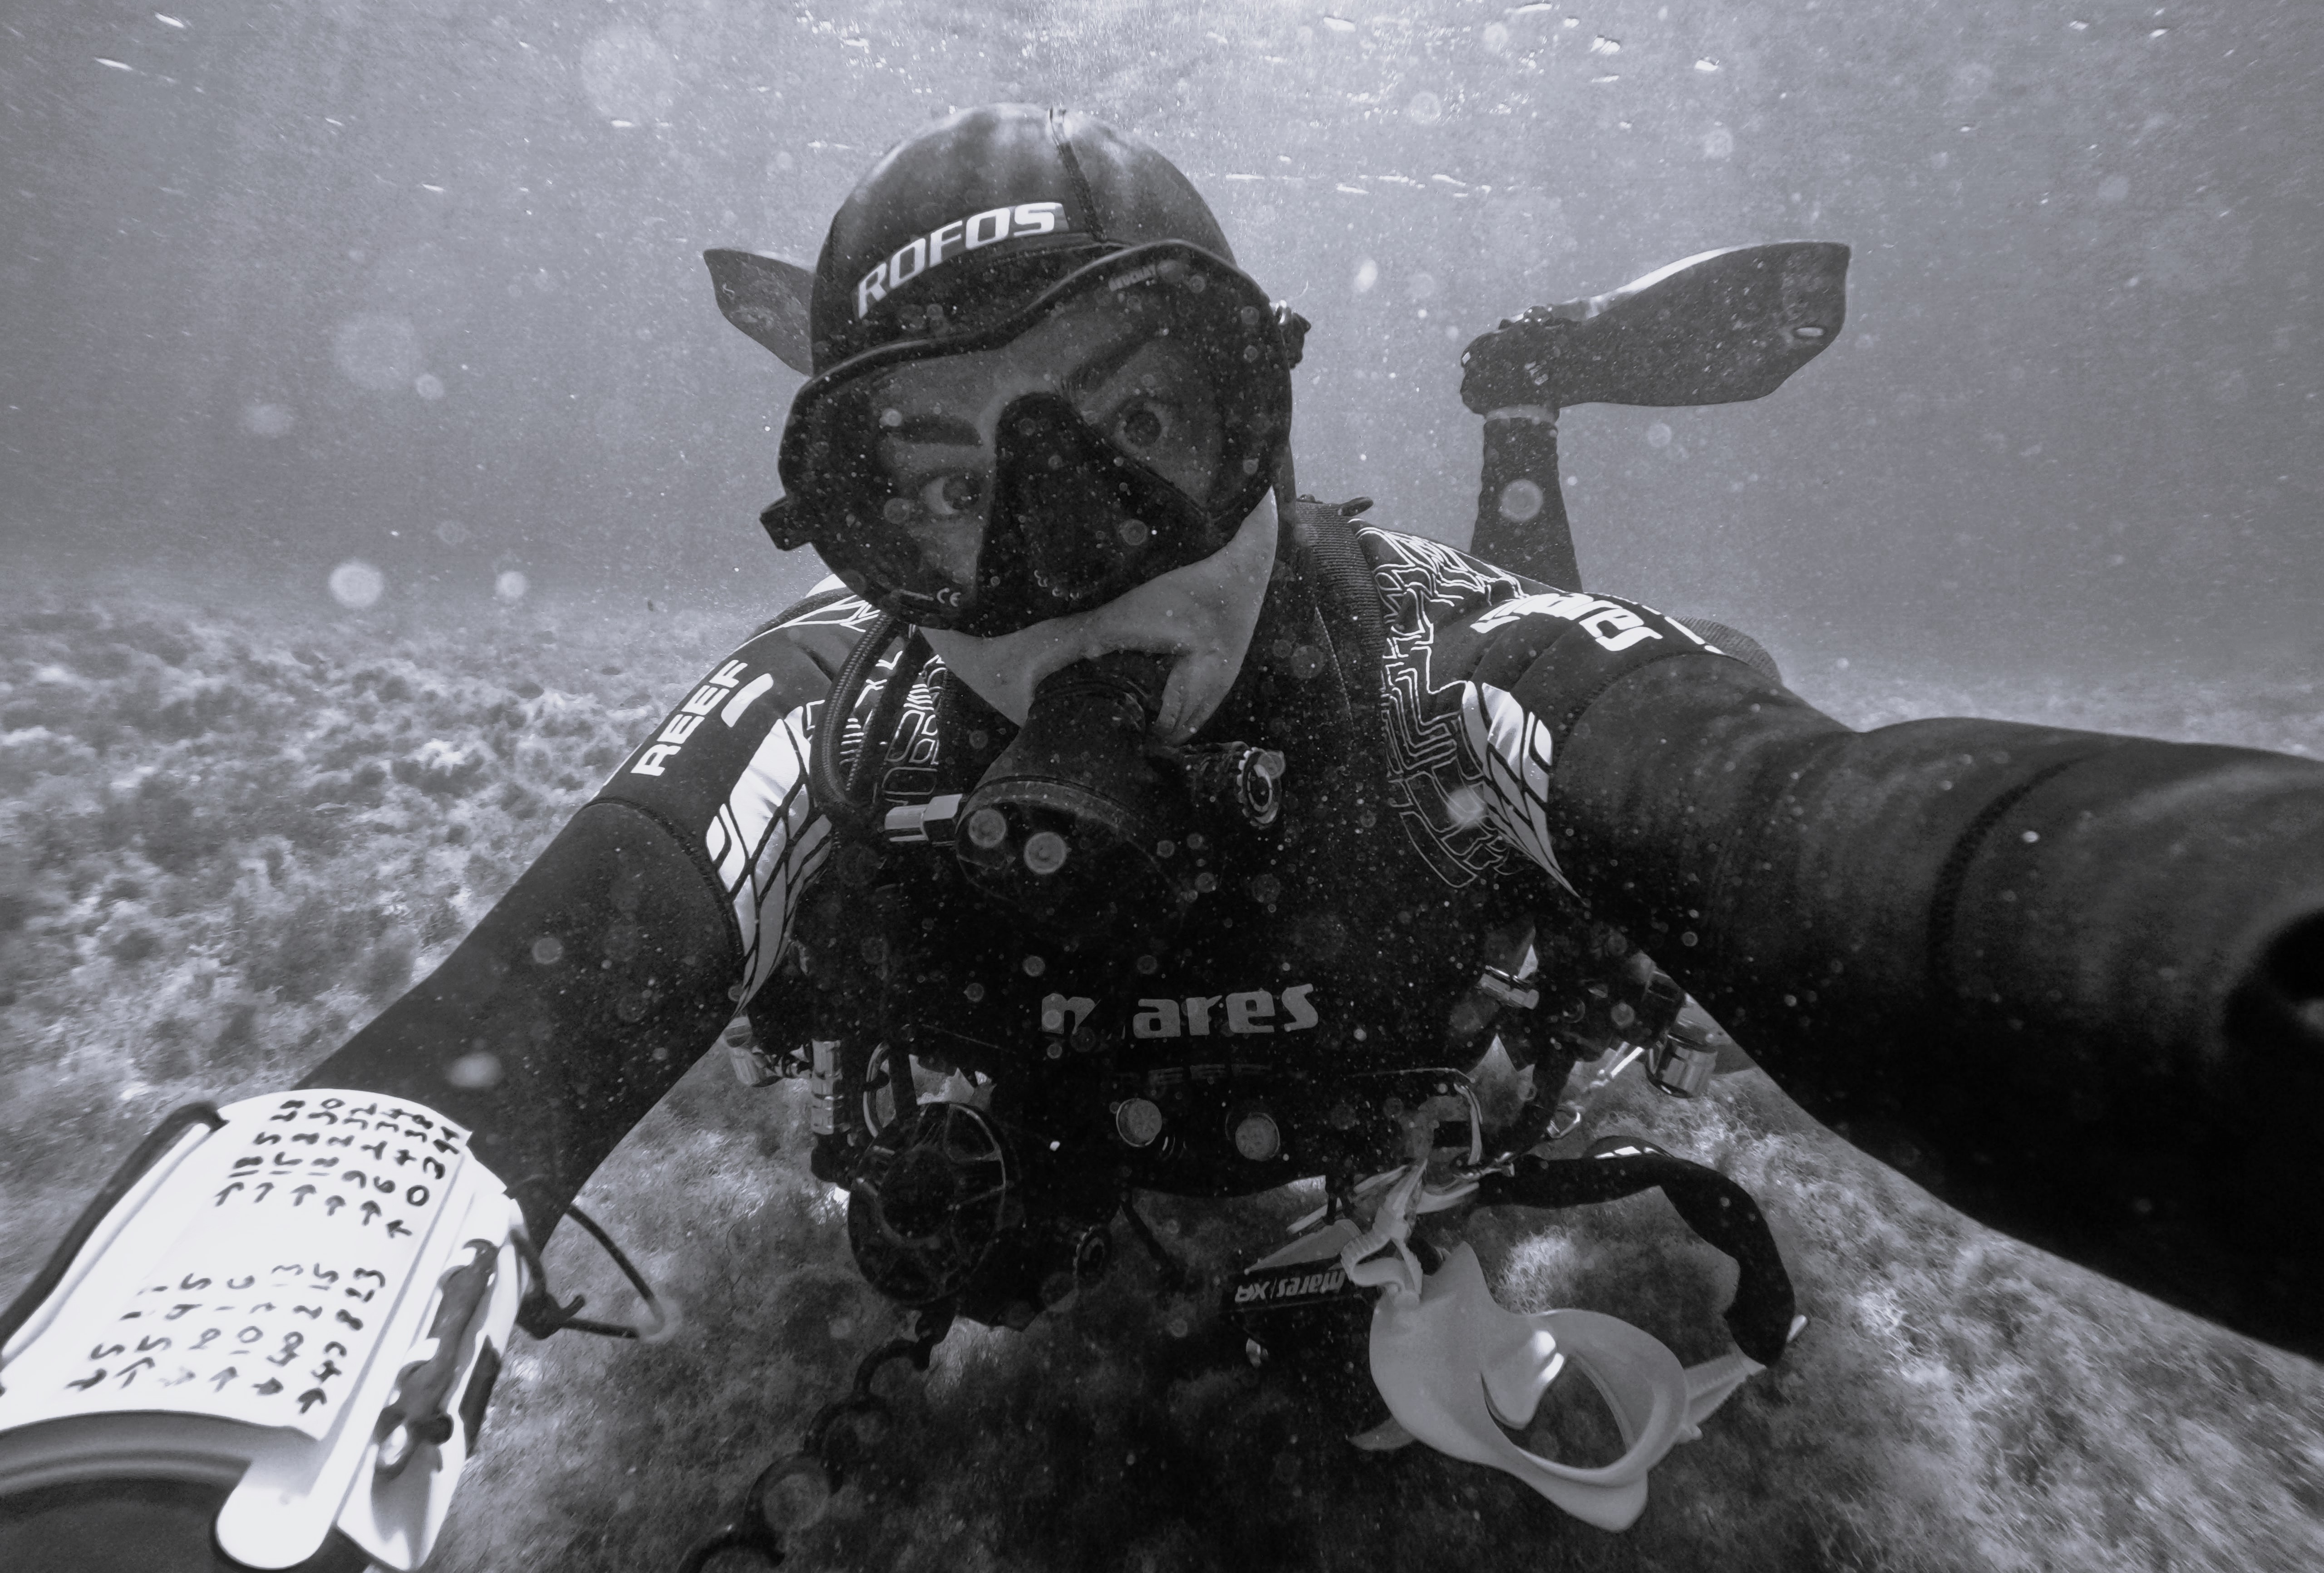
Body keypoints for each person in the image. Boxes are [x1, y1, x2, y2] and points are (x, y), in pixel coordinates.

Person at [3, 104, 2319, 1568]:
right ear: (845, 534)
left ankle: (1520, 399)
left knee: (1675, 728)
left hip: (1433, 1041)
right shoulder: (843, 707)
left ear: (1267, 421)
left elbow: (1812, 833)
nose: (1071, 569)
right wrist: (157, 1442)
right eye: (932, 487)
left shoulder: (1443, 663)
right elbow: (487, 1043)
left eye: (1139, 429)